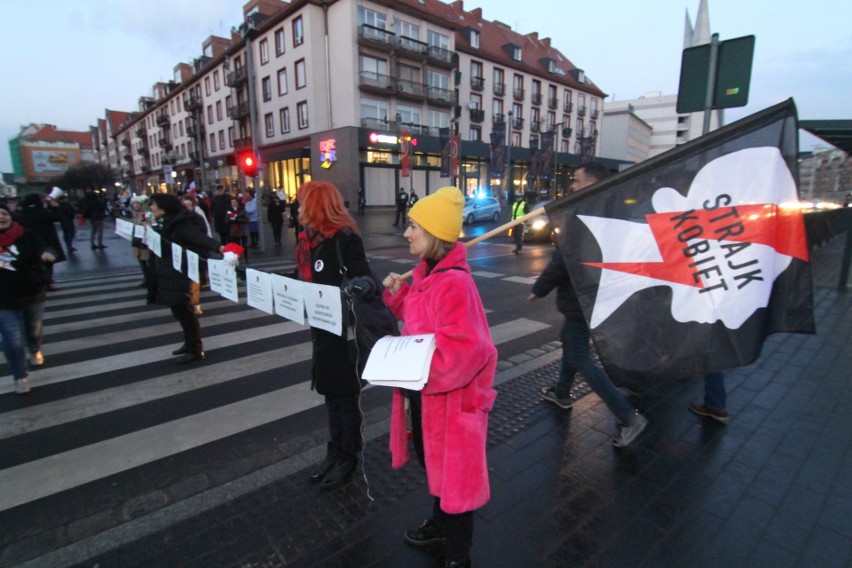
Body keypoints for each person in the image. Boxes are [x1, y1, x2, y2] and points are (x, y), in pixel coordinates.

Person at [382, 186, 497, 568]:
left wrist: (408, 368)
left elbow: (465, 353)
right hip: (429, 401)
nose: (406, 232)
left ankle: (456, 556)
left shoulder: (454, 284)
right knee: (435, 467)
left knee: (456, 486)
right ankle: (438, 524)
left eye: (414, 226)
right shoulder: (427, 275)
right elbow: (421, 326)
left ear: (433, 234)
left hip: (450, 406)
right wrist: (401, 297)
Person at [529, 162, 649, 448]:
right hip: (596, 295)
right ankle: (561, 392)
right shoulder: (611, 211)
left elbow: (562, 260)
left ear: (591, 183)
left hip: (581, 298)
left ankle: (628, 417)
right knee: (571, 343)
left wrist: (539, 288)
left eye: (578, 181)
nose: (572, 186)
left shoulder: (583, 215)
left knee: (580, 356)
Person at [295, 181, 372, 492]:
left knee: (345, 398)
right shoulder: (307, 242)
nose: (297, 209)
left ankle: (348, 456)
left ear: (316, 207)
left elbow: (365, 275)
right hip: (321, 329)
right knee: (330, 396)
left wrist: (361, 285)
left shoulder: (344, 238)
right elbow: (297, 280)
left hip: (344, 332)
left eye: (302, 204)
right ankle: (334, 450)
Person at [149, 193, 223, 364]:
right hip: (171, 270)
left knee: (185, 312)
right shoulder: (168, 221)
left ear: (163, 206)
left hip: (180, 273)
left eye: (153, 205)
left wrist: (220, 247)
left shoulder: (180, 223)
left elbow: (198, 238)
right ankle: (189, 343)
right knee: (179, 311)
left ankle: (195, 349)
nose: (151, 208)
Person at [0, 202, 55, 394]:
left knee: (34, 330)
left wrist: (47, 254)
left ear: (10, 215)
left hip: (32, 293)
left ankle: (34, 348)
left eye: (4, 213)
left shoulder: (26, 235)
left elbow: (43, 248)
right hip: (3, 299)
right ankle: (20, 376)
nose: (1, 217)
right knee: (12, 340)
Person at [16, 192, 66, 291]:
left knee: (34, 263)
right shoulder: (42, 211)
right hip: (46, 241)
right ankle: (48, 282)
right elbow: (56, 217)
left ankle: (37, 282)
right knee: (48, 263)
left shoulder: (22, 214)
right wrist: (54, 207)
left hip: (29, 242)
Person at [181, 194, 211, 315]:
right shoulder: (179, 219)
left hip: (195, 251)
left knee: (194, 279)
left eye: (189, 205)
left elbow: (204, 230)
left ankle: (195, 303)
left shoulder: (197, 217)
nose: (188, 207)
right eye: (185, 205)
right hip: (183, 252)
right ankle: (187, 300)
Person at [129, 195, 156, 301]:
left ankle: (151, 280)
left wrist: (145, 225)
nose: (136, 205)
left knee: (149, 261)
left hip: (145, 242)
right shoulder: (133, 213)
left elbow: (151, 224)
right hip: (137, 241)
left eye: (138, 203)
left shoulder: (148, 213)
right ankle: (146, 278)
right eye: (134, 203)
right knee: (141, 262)